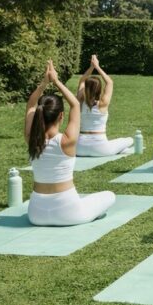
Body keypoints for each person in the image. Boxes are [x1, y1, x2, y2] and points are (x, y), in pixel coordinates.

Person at [24, 60, 116, 226]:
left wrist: (45, 83)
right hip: (68, 212)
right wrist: (56, 81)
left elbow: (31, 105)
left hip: (36, 214)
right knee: (109, 195)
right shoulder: (67, 141)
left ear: (39, 115)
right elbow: (74, 104)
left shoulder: (31, 138)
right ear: (61, 116)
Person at [75, 54, 134, 157]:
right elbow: (109, 82)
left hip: (79, 149)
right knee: (129, 140)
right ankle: (120, 150)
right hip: (101, 149)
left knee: (118, 144)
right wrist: (97, 67)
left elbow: (82, 81)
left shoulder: (80, 101)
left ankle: (119, 150)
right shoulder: (103, 104)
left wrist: (91, 67)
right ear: (99, 90)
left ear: (86, 88)